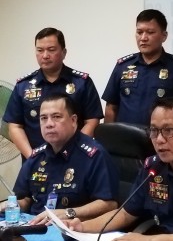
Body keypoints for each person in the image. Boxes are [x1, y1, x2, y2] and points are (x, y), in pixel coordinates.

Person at [65, 96, 173, 241]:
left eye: (168, 131)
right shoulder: (153, 168)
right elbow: (127, 214)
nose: (159, 140)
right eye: (154, 131)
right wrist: (82, 227)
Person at [0, 93, 118, 224]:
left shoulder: (94, 155)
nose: (49, 124)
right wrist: (11, 205)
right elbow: (25, 199)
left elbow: (109, 205)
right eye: (43, 118)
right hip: (34, 226)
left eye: (56, 117)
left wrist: (70, 213)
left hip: (74, 230)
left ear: (73, 121)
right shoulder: (36, 156)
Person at [3, 27, 103, 160]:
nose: (45, 55)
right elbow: (14, 126)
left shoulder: (82, 83)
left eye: (51, 50)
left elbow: (92, 121)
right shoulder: (23, 86)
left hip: (75, 160)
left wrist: (75, 151)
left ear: (64, 52)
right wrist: (32, 157)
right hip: (36, 163)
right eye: (40, 50)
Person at [102, 9, 173, 125]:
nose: (143, 38)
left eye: (150, 32)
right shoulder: (123, 66)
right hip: (125, 138)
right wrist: (107, 140)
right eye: (139, 32)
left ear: (164, 36)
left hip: (163, 138)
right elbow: (111, 107)